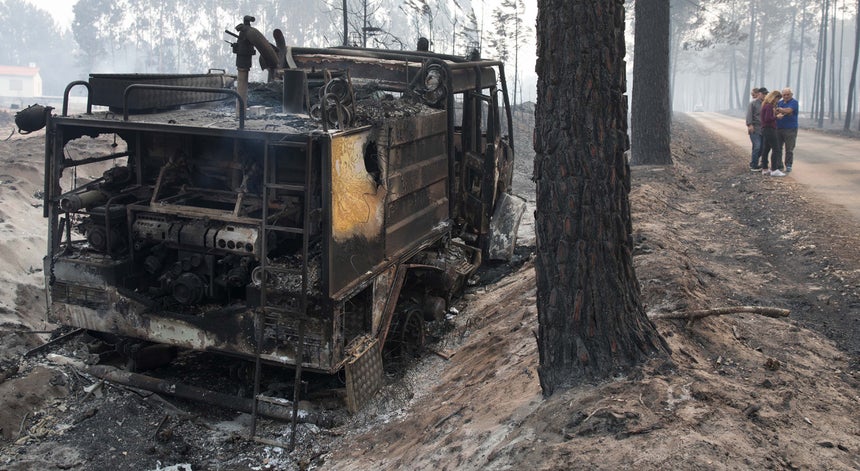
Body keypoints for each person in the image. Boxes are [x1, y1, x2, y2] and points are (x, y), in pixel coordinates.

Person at [760, 90, 786, 177]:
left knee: (766, 149)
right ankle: (774, 169)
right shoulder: (769, 106)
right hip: (770, 129)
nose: (778, 101)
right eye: (777, 99)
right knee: (776, 149)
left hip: (765, 129)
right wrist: (776, 117)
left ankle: (765, 168)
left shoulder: (765, 105)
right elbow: (768, 119)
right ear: (774, 98)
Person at [776, 87, 799, 172]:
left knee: (789, 148)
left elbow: (789, 110)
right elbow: (775, 111)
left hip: (791, 128)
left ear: (791, 94)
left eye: (788, 94)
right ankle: (779, 165)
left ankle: (788, 165)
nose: (786, 96)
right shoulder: (779, 102)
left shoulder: (794, 102)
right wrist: (782, 111)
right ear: (782, 95)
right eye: (784, 95)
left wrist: (780, 110)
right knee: (778, 148)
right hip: (778, 128)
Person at [745, 87, 764, 171]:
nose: (752, 96)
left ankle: (754, 162)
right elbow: (749, 115)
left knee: (762, 147)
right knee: (757, 146)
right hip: (754, 128)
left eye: (753, 94)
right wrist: (749, 125)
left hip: (763, 129)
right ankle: (754, 165)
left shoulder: (765, 103)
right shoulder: (752, 103)